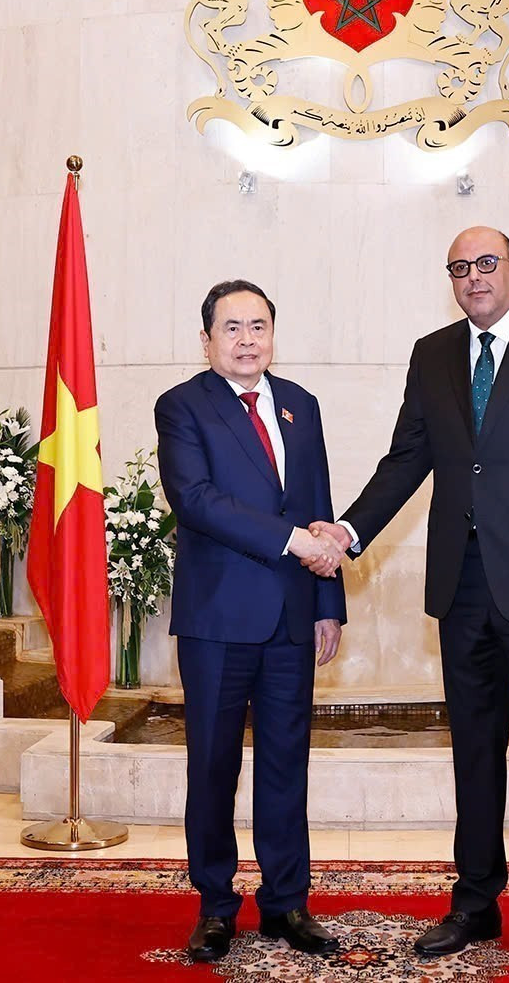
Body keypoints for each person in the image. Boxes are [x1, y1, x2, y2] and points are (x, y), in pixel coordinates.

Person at [315, 227, 509, 973]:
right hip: (463, 588)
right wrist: (351, 529)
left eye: (487, 263)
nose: (474, 277)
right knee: (474, 752)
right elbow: (408, 460)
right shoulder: (432, 354)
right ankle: (475, 900)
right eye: (460, 268)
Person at [154, 280, 348, 963]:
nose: (246, 339)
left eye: (258, 326)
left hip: (294, 617)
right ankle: (214, 905)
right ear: (206, 338)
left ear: (273, 333)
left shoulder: (302, 405)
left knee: (286, 762)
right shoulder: (182, 406)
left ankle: (286, 902)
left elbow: (320, 502)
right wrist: (295, 541)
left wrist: (329, 604)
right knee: (211, 764)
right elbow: (198, 501)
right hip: (216, 620)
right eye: (231, 327)